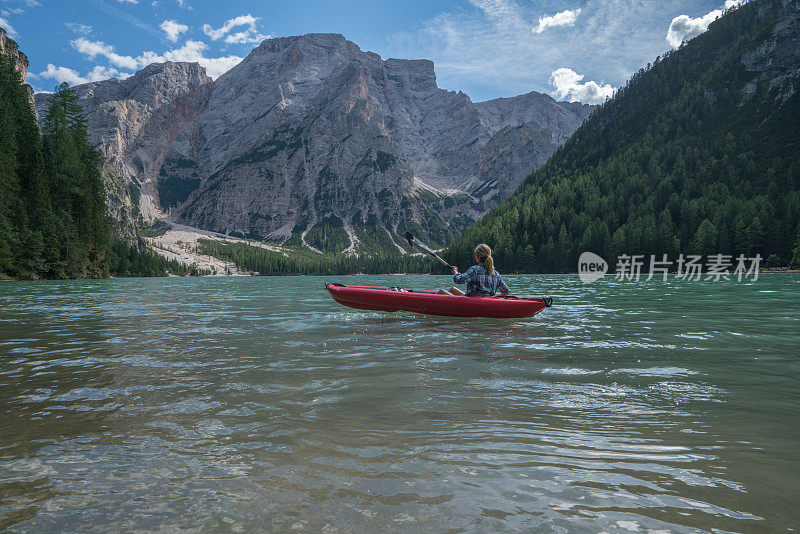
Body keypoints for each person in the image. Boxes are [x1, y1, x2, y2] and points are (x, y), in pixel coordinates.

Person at [438, 243, 510, 296]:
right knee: (452, 289)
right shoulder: (495, 273)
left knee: (441, 291)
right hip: (485, 300)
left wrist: (455, 272)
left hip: (473, 301)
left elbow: (458, 280)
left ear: (477, 258)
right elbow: (506, 291)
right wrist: (495, 299)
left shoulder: (475, 269)